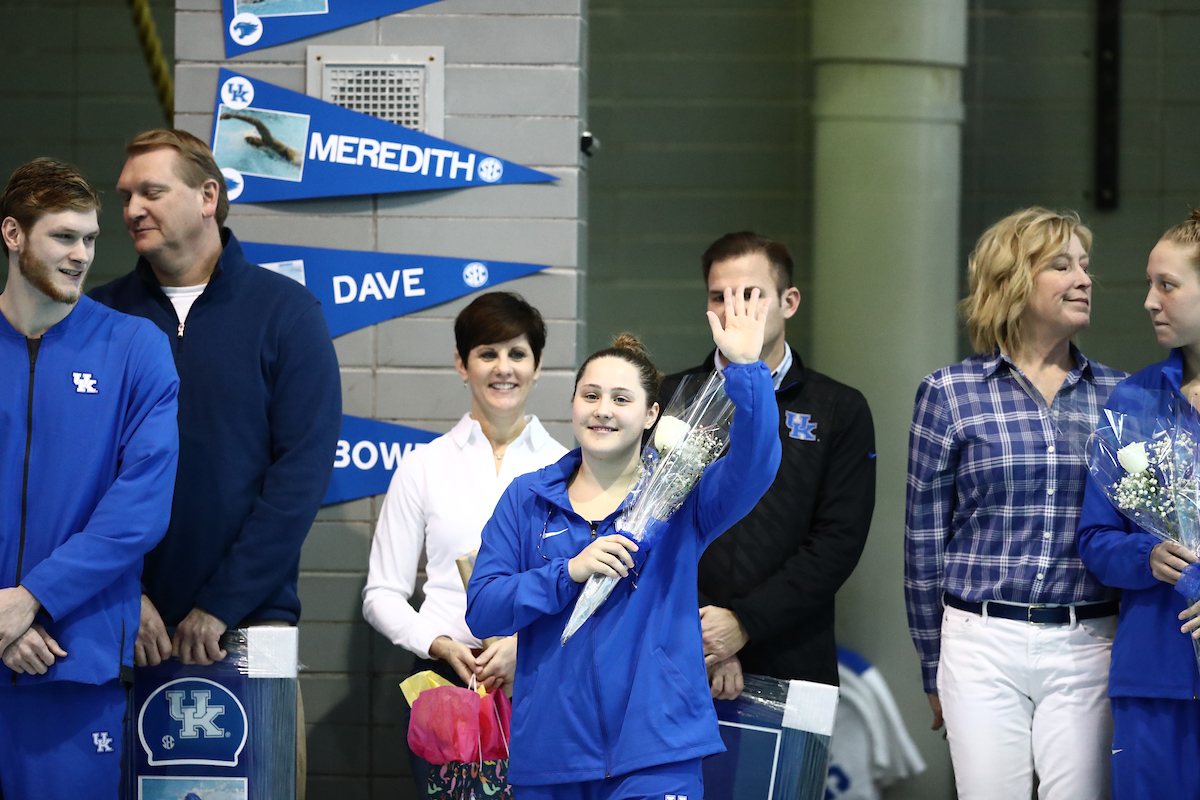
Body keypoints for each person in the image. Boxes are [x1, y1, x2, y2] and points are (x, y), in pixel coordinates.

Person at [89, 129, 341, 794]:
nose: (132, 209)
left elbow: (299, 479)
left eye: (151, 191)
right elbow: (81, 481)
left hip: (253, 626)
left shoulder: (286, 313)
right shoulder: (97, 320)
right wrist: (125, 595)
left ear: (208, 196)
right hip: (121, 627)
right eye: (125, 195)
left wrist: (222, 604)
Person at [465, 285, 782, 799]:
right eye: (590, 396)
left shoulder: (682, 497)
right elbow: (483, 609)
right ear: (573, 404)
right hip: (551, 755)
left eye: (621, 398)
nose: (603, 410)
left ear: (651, 414)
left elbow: (757, 463)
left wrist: (747, 370)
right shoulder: (528, 499)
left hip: (657, 751)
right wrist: (568, 571)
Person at [905, 207, 1125, 800]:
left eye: (1085, 265)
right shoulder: (948, 393)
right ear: (1013, 281)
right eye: (1062, 265)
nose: (1084, 279)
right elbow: (923, 542)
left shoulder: (1120, 394)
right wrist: (932, 666)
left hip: (1088, 641)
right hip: (979, 642)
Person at [0, 158, 179, 797]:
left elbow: (139, 509)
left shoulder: (135, 348)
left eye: (90, 239)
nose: (81, 255)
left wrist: (32, 599)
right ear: (13, 234)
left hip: (72, 659)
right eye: (63, 237)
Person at [362, 291, 568, 793]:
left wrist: (523, 647)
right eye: (487, 353)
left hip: (539, 679)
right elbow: (381, 594)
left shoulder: (565, 470)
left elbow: (580, 592)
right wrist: (438, 644)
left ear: (538, 365)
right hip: (443, 684)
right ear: (462, 364)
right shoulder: (423, 466)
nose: (504, 368)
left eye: (517, 353)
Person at [660, 231, 876, 699]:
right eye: (719, 297)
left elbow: (838, 540)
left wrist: (744, 623)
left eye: (750, 296)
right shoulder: (670, 398)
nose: (733, 311)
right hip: (678, 647)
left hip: (794, 655)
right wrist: (704, 629)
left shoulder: (839, 408)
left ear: (789, 302)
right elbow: (650, 523)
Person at [1077, 208, 1200, 800]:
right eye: (1151, 284)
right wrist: (1146, 556)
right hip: (1155, 675)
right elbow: (1096, 539)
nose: (1150, 301)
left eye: (1167, 285)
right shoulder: (1133, 400)